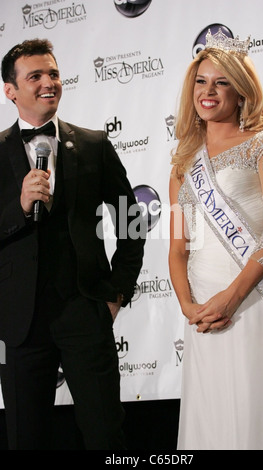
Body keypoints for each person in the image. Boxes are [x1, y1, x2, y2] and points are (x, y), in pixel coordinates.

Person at [0, 38, 145, 450]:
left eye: (53, 74)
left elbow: (132, 221)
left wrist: (118, 291)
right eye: (35, 76)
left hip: (86, 313)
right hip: (21, 324)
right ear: (10, 90)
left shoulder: (94, 144)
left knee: (105, 435)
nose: (49, 82)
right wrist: (20, 205)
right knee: (26, 439)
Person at [169, 29, 263, 450]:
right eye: (202, 82)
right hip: (204, 311)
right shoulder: (182, 163)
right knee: (213, 415)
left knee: (255, 409)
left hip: (253, 300)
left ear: (241, 92)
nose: (209, 91)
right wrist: (189, 306)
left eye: (222, 82)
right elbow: (176, 246)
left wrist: (231, 297)